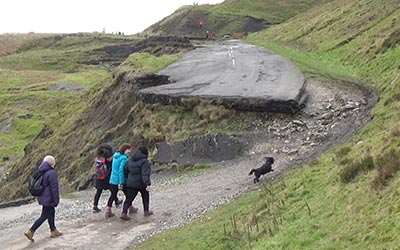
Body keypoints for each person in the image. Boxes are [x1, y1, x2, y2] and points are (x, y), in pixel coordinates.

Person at [24, 155, 62, 242]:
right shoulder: (51, 173)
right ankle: (31, 231)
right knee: (45, 215)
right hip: (49, 198)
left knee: (51, 212)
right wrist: (56, 200)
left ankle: (53, 230)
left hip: (42, 197)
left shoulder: (41, 171)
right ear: (52, 163)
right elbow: (54, 188)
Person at [121, 145, 153, 220]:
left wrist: (129, 178)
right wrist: (147, 184)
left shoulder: (131, 159)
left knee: (129, 198)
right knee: (145, 196)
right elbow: (145, 174)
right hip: (141, 183)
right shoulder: (145, 161)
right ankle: (146, 211)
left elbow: (125, 169)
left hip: (131, 183)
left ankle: (124, 212)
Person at [105, 143, 137, 218]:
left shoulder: (115, 156)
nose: (129, 151)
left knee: (113, 195)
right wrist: (121, 182)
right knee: (128, 194)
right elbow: (121, 171)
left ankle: (108, 210)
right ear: (124, 150)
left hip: (113, 179)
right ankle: (130, 208)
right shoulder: (123, 158)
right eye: (128, 149)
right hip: (120, 180)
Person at [92, 144, 122, 213]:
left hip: (99, 178)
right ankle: (116, 201)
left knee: (98, 192)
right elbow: (111, 167)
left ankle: (95, 205)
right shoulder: (108, 157)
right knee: (113, 190)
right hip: (106, 177)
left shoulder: (98, 158)